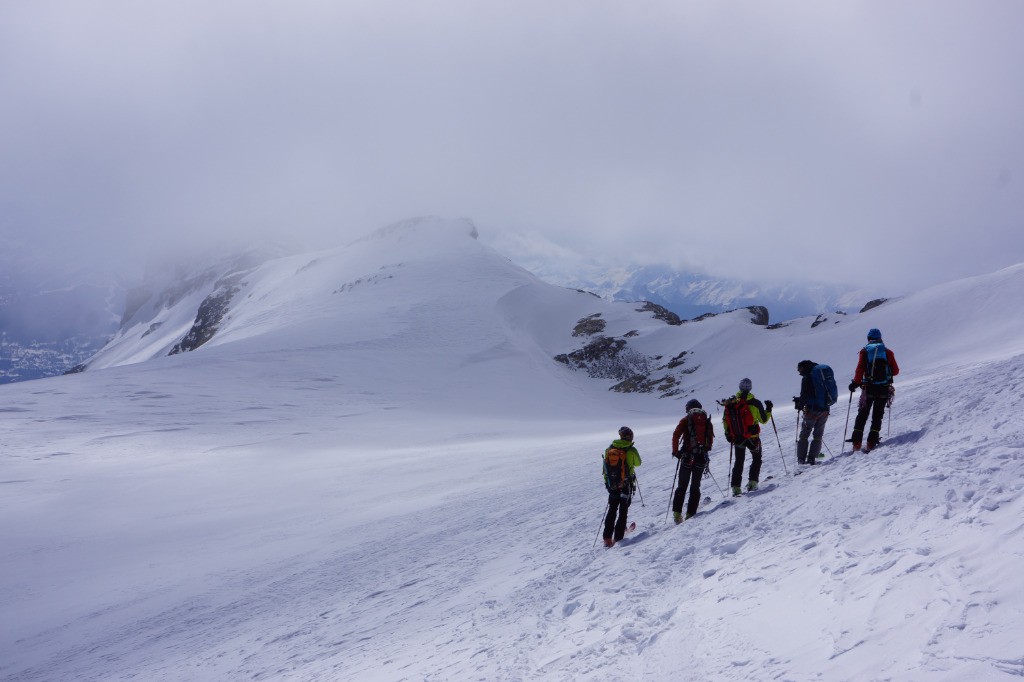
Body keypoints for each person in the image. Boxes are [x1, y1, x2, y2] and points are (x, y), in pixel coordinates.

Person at [848, 328, 900, 452]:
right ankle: (871, 442)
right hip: (883, 388)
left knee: (862, 415)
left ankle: (856, 442)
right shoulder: (888, 352)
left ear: (868, 338)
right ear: (880, 338)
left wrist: (855, 383)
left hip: (869, 388)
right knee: (877, 416)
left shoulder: (865, 351)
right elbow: (896, 371)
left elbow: (860, 368)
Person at [722, 378, 772, 495]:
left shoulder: (731, 403)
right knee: (756, 458)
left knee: (739, 461)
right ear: (750, 388)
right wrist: (768, 409)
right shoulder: (755, 402)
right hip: (752, 437)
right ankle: (753, 482)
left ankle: (736, 487)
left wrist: (728, 433)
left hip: (737, 437)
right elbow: (763, 420)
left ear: (739, 387)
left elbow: (725, 420)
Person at [671, 399, 715, 523]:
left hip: (687, 457)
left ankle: (677, 514)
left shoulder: (686, 420)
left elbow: (676, 435)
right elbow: (710, 440)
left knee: (682, 486)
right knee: (695, 486)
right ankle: (691, 513)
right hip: (701, 457)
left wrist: (676, 452)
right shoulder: (706, 421)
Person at [601, 426, 642, 547]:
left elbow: (605, 469)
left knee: (612, 509)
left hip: (612, 485)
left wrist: (608, 484)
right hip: (625, 484)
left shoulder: (609, 449)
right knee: (623, 511)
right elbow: (638, 463)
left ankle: (607, 538)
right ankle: (618, 537)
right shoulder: (631, 449)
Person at [794, 360, 829, 465]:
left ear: (804, 368)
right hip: (825, 409)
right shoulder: (821, 375)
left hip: (811, 410)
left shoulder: (807, 378)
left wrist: (799, 404)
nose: (798, 371)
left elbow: (805, 394)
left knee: (804, 435)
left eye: (799, 368)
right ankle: (812, 458)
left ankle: (801, 459)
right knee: (818, 435)